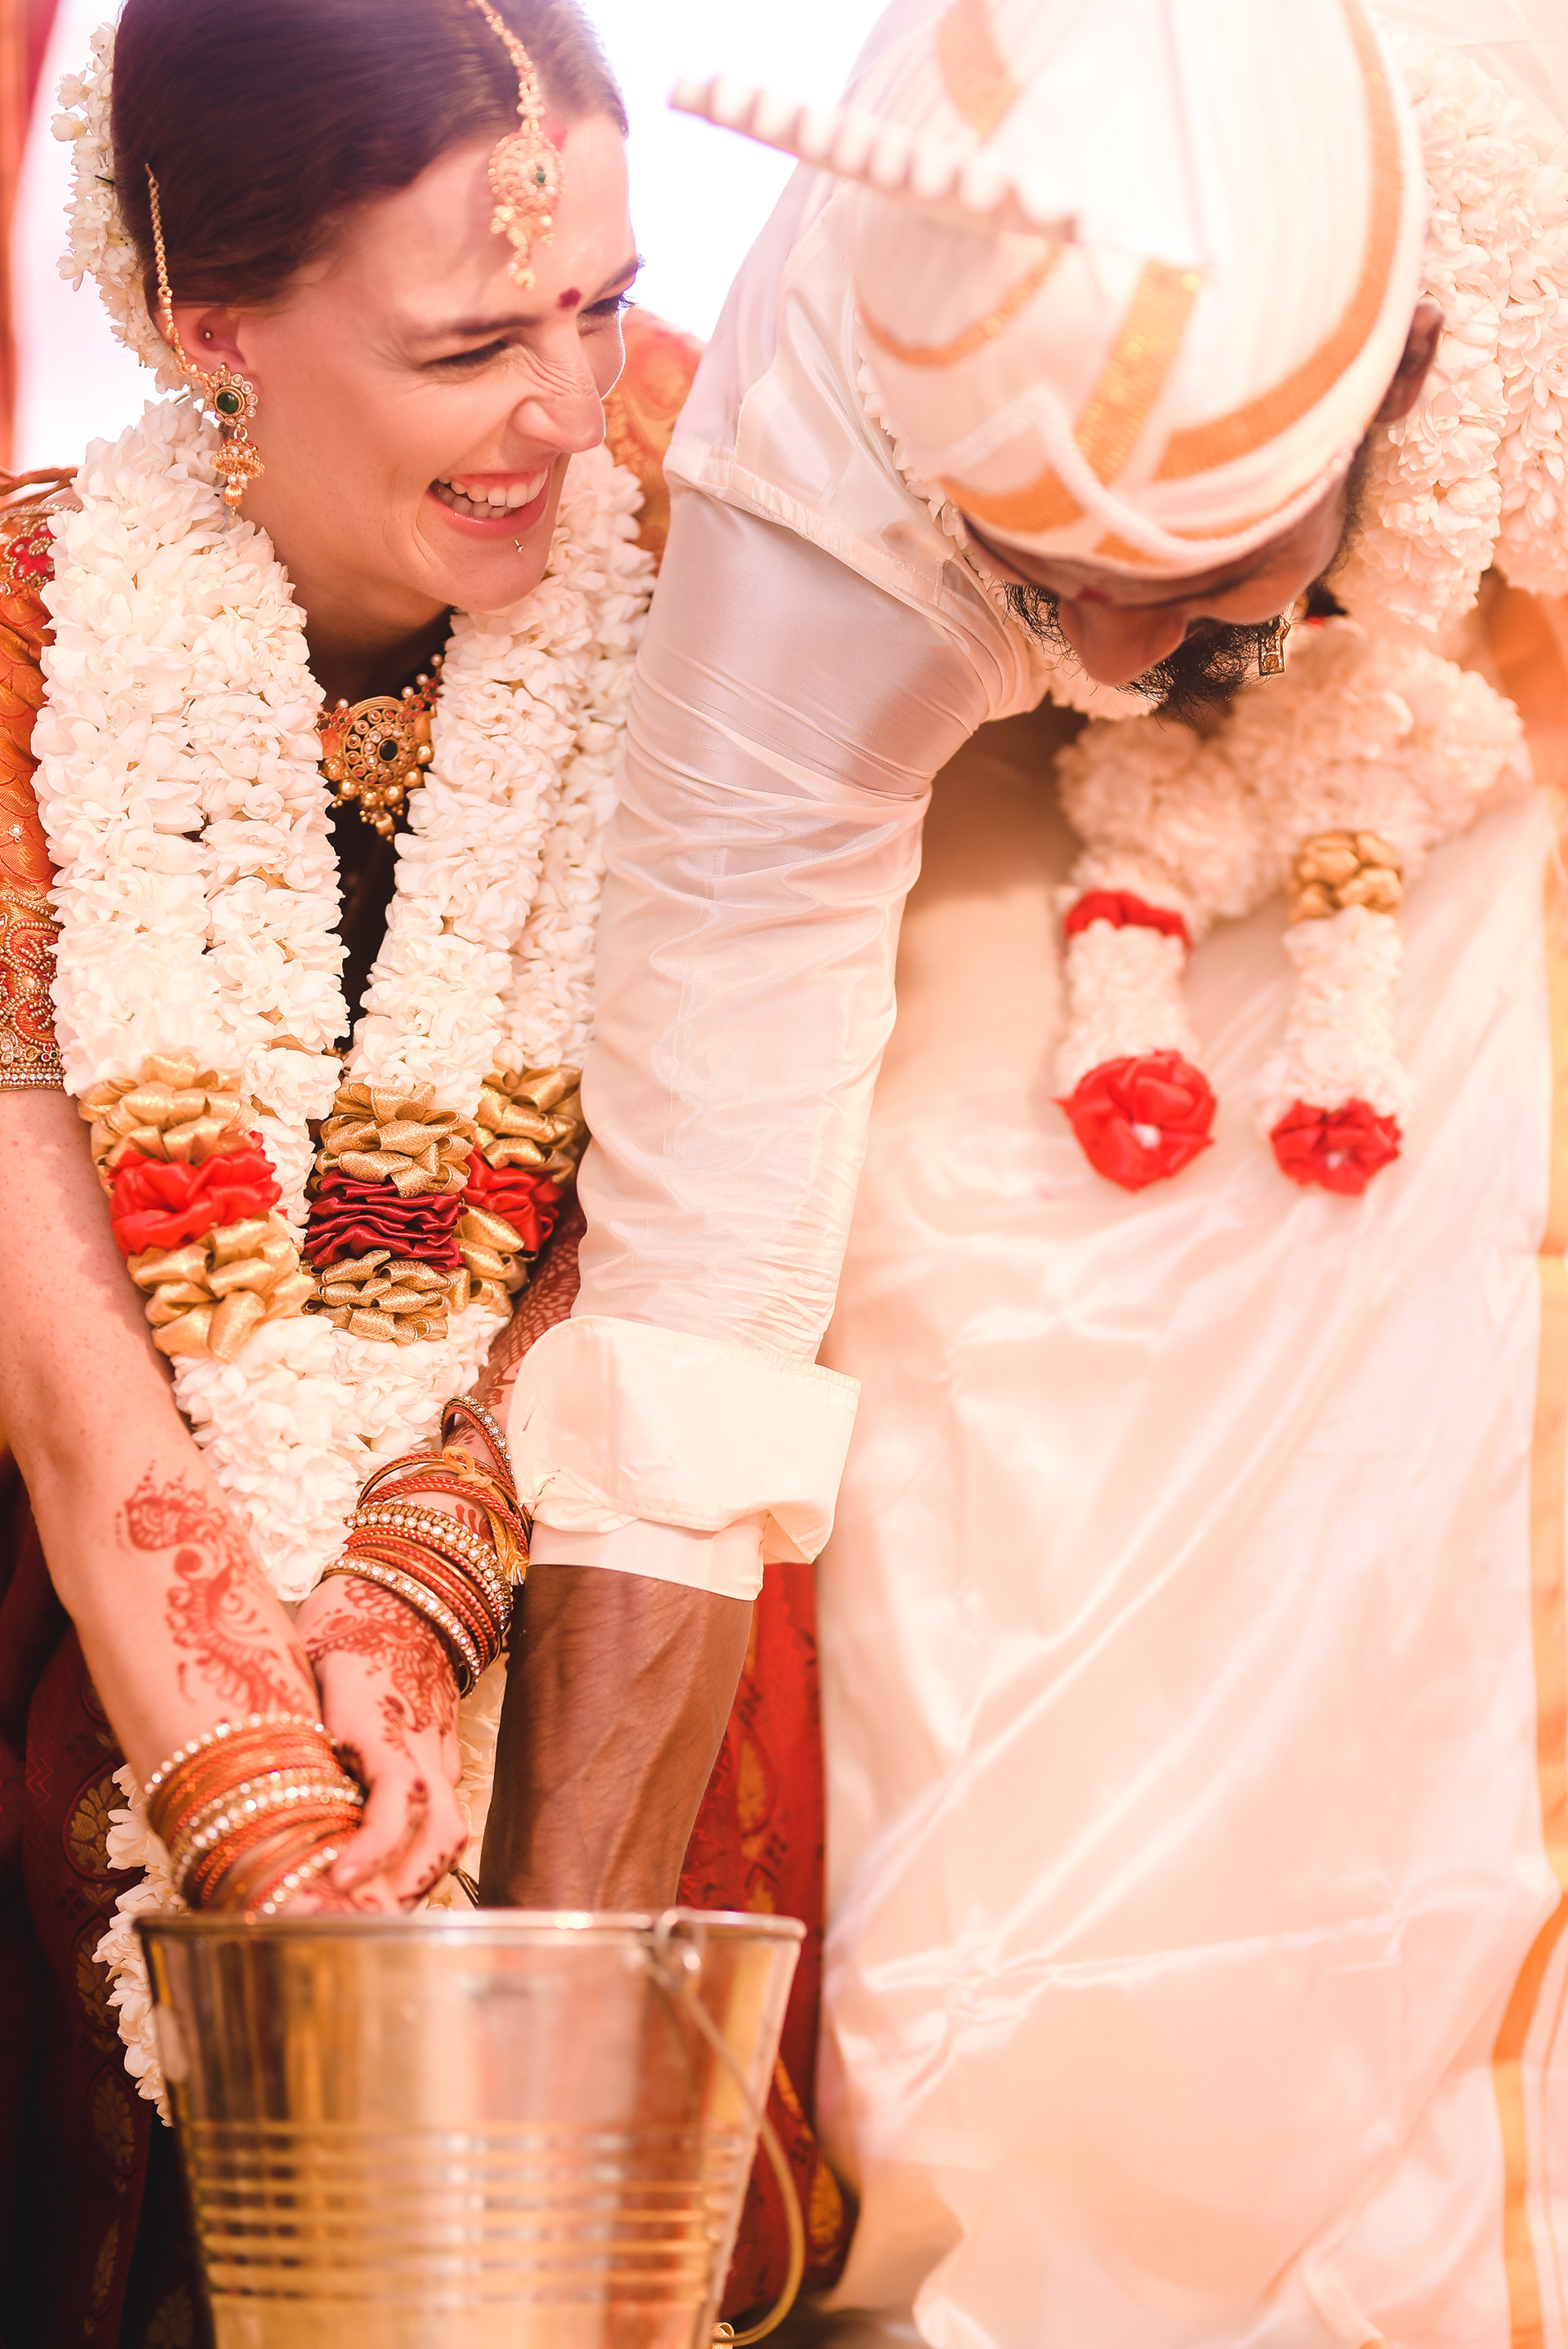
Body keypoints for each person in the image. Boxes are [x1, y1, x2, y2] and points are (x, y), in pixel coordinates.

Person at [481, 0, 1568, 2339]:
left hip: (1493, 703)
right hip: (1005, 834)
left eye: (1176, 580)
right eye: (1044, 574)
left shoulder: (1526, 245)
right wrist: (552, 2041)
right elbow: (695, 1293)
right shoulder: (819, 521)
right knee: (954, 1304)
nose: (1099, 639)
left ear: (1397, 380)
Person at [0, 2, 849, 2338]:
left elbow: (692, 1194)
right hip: (106, 1613)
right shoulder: (22, 643)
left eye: (601, 304)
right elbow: (74, 1387)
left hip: (576, 1578)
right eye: (473, 344)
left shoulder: (695, 601)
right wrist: (272, 1819)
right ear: (215, 326)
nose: (570, 409)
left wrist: (420, 1579)